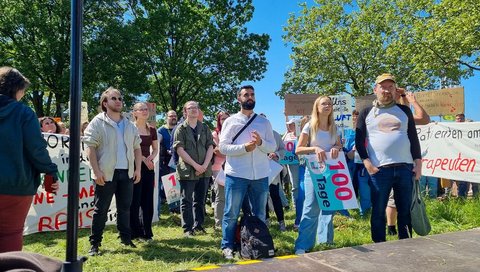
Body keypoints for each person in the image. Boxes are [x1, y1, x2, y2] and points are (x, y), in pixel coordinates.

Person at [356, 73, 422, 243]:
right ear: (375, 89)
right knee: (378, 211)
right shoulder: (366, 113)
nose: (386, 90)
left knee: (405, 210)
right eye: (383, 87)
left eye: (390, 87)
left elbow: (413, 138)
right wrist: (367, 163)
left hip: (405, 168)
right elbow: (359, 141)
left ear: (395, 90)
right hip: (379, 171)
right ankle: (379, 246)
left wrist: (418, 163)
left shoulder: (404, 110)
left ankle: (406, 244)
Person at [0, 67, 59, 253]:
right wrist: (50, 171)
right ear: (16, 88)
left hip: (16, 186)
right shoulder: (23, 113)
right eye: (23, 90)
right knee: (10, 236)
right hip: (16, 187)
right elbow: (36, 148)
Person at [219, 85, 276, 259]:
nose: (250, 97)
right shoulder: (231, 121)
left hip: (260, 174)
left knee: (259, 213)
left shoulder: (264, 122)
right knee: (231, 212)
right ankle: (227, 245)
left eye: (252, 94)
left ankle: (257, 243)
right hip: (237, 174)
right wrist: (245, 147)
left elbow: (272, 146)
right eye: (246, 95)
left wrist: (260, 143)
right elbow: (223, 147)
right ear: (239, 99)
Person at [84, 87, 142, 256]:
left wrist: (138, 169)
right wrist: (96, 171)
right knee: (101, 209)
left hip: (127, 173)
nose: (118, 101)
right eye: (114, 98)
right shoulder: (97, 122)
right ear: (105, 102)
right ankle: (95, 244)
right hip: (106, 173)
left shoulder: (130, 125)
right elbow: (90, 148)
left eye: (120, 98)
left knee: (125, 208)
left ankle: (125, 238)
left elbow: (137, 148)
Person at [294, 96, 343, 254]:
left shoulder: (335, 127)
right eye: (324, 103)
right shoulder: (309, 126)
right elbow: (298, 149)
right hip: (314, 171)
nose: (327, 106)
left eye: (329, 103)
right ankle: (303, 245)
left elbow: (339, 145)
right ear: (317, 107)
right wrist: (314, 149)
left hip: (331, 170)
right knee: (311, 208)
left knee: (329, 207)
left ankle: (326, 242)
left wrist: (336, 147)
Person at [173, 101, 214, 237]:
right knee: (186, 200)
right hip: (187, 170)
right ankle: (187, 229)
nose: (194, 110)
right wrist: (196, 166)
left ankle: (199, 225)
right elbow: (180, 149)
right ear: (185, 112)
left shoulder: (205, 128)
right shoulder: (181, 129)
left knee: (200, 200)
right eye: (190, 108)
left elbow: (210, 146)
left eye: (196, 107)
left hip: (204, 170)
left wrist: (204, 166)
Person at [130, 102, 158, 241]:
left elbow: (156, 149)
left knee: (148, 201)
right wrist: (142, 159)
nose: (144, 111)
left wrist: (150, 158)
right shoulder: (130, 128)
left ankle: (147, 231)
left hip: (148, 168)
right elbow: (129, 148)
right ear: (134, 113)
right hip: (134, 167)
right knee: (135, 200)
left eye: (146, 109)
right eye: (141, 109)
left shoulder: (152, 129)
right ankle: (135, 232)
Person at [265, 125, 287, 232]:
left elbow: (283, 149)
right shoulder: (253, 134)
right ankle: (266, 220)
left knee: (275, 195)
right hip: (259, 170)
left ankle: (281, 221)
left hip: (273, 169)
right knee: (262, 196)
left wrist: (276, 154)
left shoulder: (275, 134)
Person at [157, 110, 179, 214]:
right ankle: (164, 205)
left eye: (175, 116)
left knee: (174, 184)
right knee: (166, 183)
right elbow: (157, 144)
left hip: (176, 160)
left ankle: (175, 207)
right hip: (165, 161)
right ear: (167, 117)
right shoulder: (161, 130)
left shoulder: (180, 128)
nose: (173, 117)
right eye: (171, 116)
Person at [452, 113, 479, 198]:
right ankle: (461, 200)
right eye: (458, 119)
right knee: (462, 182)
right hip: (461, 161)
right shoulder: (452, 132)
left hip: (474, 160)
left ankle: (476, 200)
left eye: (461, 119)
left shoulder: (473, 131)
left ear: (464, 119)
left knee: (475, 182)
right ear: (455, 120)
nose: (459, 120)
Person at [282, 117, 302, 229]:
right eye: (289, 124)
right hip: (292, 164)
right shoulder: (287, 135)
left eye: (292, 124)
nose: (290, 126)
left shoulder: (302, 135)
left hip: (302, 163)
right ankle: (295, 205)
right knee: (294, 186)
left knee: (302, 185)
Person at [212, 111, 230, 229]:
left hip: (234, 167)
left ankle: (229, 221)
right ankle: (219, 223)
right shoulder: (214, 134)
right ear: (218, 121)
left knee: (232, 196)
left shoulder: (234, 132)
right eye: (222, 119)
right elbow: (217, 150)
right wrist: (234, 152)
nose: (224, 120)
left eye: (226, 118)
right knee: (221, 196)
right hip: (218, 168)